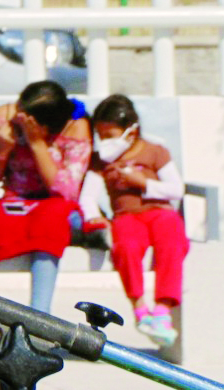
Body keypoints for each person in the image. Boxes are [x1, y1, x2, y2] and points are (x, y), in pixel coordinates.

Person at [0, 79, 92, 314]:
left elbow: (66, 191)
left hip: (57, 209)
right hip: (17, 205)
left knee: (49, 225)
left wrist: (36, 143)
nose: (19, 121)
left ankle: (38, 318)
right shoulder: (5, 118)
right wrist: (1, 149)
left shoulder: (76, 126)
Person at [78, 94, 187, 347]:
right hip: (126, 216)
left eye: (111, 135)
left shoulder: (154, 151)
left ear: (131, 130)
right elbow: (88, 197)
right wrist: (96, 218)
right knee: (126, 247)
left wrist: (144, 184)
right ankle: (139, 308)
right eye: (101, 136)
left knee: (172, 244)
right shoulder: (101, 161)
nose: (106, 142)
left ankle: (162, 311)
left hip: (160, 211)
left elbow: (176, 189)